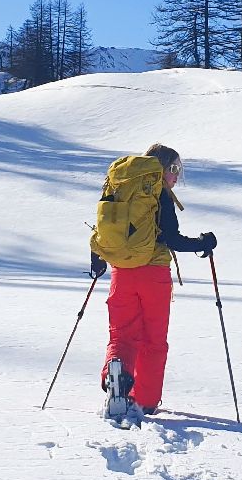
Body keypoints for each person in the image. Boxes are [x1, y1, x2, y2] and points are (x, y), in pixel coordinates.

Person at [89, 143, 217, 422]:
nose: (175, 177)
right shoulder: (159, 193)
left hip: (121, 272)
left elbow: (104, 227)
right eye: (175, 169)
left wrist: (97, 258)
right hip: (154, 275)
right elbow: (171, 239)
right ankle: (144, 401)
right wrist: (203, 243)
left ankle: (118, 376)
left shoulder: (121, 187)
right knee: (153, 339)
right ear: (163, 168)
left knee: (121, 334)